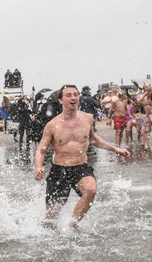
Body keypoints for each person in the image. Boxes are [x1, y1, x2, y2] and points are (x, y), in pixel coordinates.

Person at [34, 85, 130, 229]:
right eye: (68, 95)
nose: (73, 98)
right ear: (60, 100)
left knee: (91, 189)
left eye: (75, 94)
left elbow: (94, 139)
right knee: (51, 219)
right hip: (59, 171)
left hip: (80, 168)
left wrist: (116, 149)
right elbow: (41, 150)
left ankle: (72, 224)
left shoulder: (88, 118)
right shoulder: (52, 125)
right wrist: (38, 167)